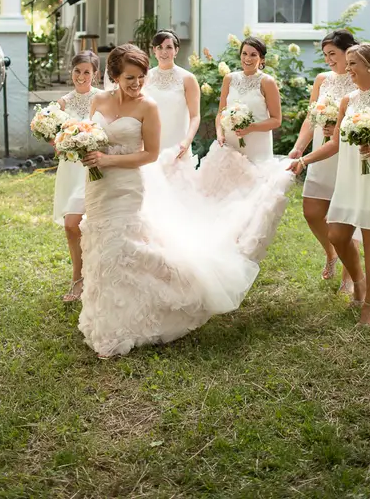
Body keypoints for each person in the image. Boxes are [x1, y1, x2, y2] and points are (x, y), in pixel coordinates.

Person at [77, 44, 258, 358]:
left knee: (118, 248)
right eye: (130, 78)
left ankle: (128, 322)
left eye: (141, 77)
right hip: (97, 187)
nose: (137, 84)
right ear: (116, 76)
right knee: (98, 245)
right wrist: (84, 151)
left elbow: (148, 154)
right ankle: (104, 317)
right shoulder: (98, 100)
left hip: (127, 186)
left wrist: (107, 160)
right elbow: (90, 134)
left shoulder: (148, 107)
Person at [288, 44, 370, 326]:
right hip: (348, 180)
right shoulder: (347, 100)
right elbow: (334, 143)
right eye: (347, 63)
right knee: (336, 235)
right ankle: (358, 280)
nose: (348, 69)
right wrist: (304, 160)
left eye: (353, 63)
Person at [197, 37, 293, 262]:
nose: (248, 59)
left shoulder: (266, 82)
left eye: (253, 55)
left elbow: (276, 120)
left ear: (261, 59)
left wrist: (251, 127)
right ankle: (223, 243)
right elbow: (221, 112)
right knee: (226, 192)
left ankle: (246, 246)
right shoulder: (230, 79)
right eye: (244, 54)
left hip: (256, 145)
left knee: (251, 194)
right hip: (230, 144)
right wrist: (220, 133)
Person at [288, 29, 360, 292]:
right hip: (321, 151)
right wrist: (299, 148)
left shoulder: (358, 81)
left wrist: (341, 129)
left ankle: (349, 275)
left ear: (348, 52)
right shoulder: (322, 79)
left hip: (347, 153)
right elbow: (311, 117)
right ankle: (331, 254)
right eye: (325, 55)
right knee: (312, 212)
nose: (328, 60)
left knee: (345, 217)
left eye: (333, 54)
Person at [52, 51, 100, 303]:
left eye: (87, 72)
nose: (81, 77)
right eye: (77, 71)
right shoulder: (62, 103)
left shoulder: (102, 99)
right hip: (70, 169)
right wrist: (58, 142)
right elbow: (51, 133)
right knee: (72, 226)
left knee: (94, 224)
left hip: (94, 169)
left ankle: (98, 276)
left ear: (95, 74)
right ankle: (78, 278)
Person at [144, 30, 201, 159]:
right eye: (160, 47)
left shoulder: (188, 78)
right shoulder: (146, 77)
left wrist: (187, 141)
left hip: (178, 145)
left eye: (169, 47)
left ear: (176, 50)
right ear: (154, 50)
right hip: (151, 144)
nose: (164, 52)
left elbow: (195, 116)